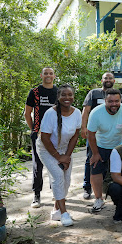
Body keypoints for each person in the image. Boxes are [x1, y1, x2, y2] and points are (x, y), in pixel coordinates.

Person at [37, 85, 81, 226]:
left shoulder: (77, 113)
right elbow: (44, 137)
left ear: (73, 97)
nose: (67, 98)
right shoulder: (51, 113)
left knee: (66, 179)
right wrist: (58, 157)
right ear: (58, 97)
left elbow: (75, 137)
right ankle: (64, 213)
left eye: (70, 95)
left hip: (64, 149)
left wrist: (66, 157)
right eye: (63, 95)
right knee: (57, 176)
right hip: (46, 148)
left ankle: (56, 209)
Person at [87, 88, 122, 213]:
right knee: (95, 169)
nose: (114, 104)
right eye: (110, 101)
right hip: (100, 145)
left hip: (119, 145)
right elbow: (90, 134)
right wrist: (95, 153)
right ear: (105, 101)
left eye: (116, 101)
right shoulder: (96, 113)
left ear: (120, 100)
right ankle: (99, 199)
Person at [80, 72, 122, 200]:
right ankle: (87, 187)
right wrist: (83, 127)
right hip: (94, 132)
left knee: (112, 161)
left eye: (110, 78)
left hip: (112, 132)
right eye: (106, 77)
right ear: (102, 80)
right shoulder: (93, 93)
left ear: (114, 80)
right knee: (92, 159)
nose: (108, 79)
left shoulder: (119, 96)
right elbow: (86, 110)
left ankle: (108, 187)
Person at [25, 67, 58, 209]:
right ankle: (36, 195)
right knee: (38, 164)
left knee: (55, 163)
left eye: (50, 73)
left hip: (56, 134)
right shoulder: (34, 92)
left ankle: (56, 192)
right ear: (41, 75)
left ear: (54, 76)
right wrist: (34, 129)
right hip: (38, 134)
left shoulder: (59, 92)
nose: (48, 75)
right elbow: (27, 113)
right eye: (46, 73)